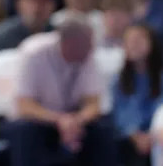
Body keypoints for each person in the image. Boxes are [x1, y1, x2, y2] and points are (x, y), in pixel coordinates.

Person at [9, 15, 116, 165]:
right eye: (85, 45)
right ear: (67, 43)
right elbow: (24, 105)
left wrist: (77, 120)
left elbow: (94, 103)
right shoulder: (33, 53)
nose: (90, 49)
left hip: (73, 117)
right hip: (40, 118)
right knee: (24, 130)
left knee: (103, 129)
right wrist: (58, 119)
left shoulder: (87, 55)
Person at [113, 24, 163, 166]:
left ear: (152, 44)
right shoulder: (118, 80)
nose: (133, 45)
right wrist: (135, 135)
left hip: (159, 136)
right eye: (129, 41)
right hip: (130, 140)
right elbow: (121, 113)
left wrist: (151, 136)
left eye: (138, 40)